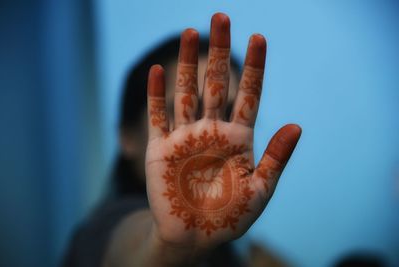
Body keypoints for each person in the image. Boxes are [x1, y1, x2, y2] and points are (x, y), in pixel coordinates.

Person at [62, 12, 301, 267]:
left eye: (228, 114)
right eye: (182, 112)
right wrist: (168, 247)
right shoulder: (102, 231)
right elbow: (129, 248)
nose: (211, 135)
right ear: (127, 137)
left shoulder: (243, 251)